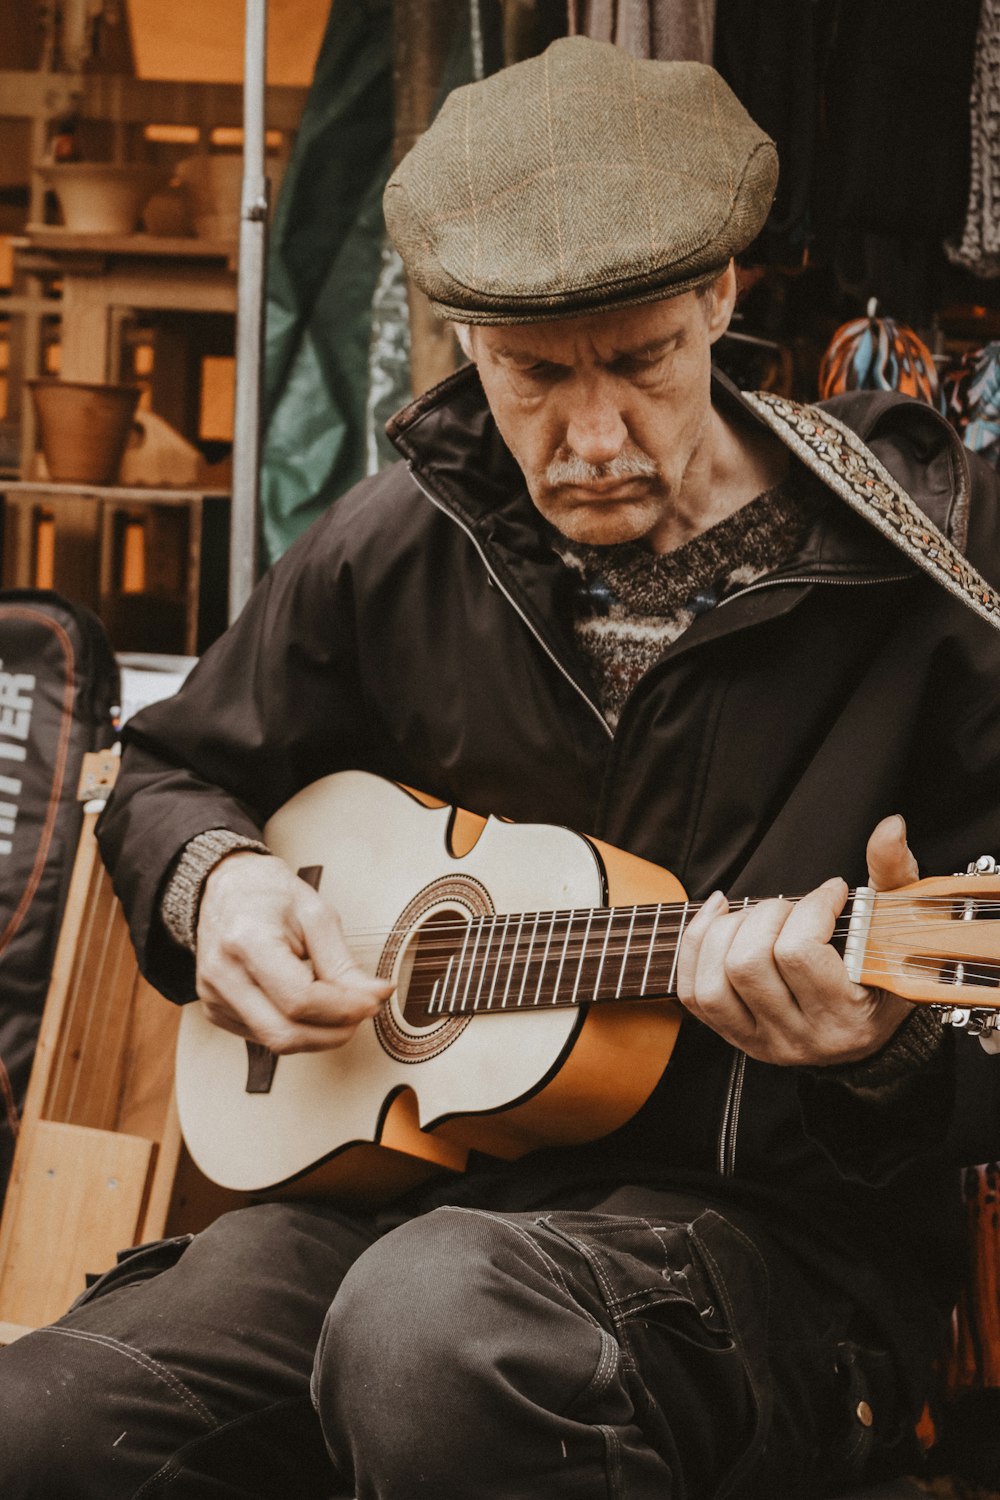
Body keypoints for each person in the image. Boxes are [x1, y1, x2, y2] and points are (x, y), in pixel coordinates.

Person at [2, 36, 1000, 1500]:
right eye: (534, 375)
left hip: (772, 1252)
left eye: (643, 362)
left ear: (723, 300)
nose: (591, 437)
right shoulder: (401, 540)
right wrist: (217, 890)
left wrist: (884, 1053)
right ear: (461, 335)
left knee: (436, 1337)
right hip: (401, 1199)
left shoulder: (929, 577)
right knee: (46, 1419)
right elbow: (164, 774)